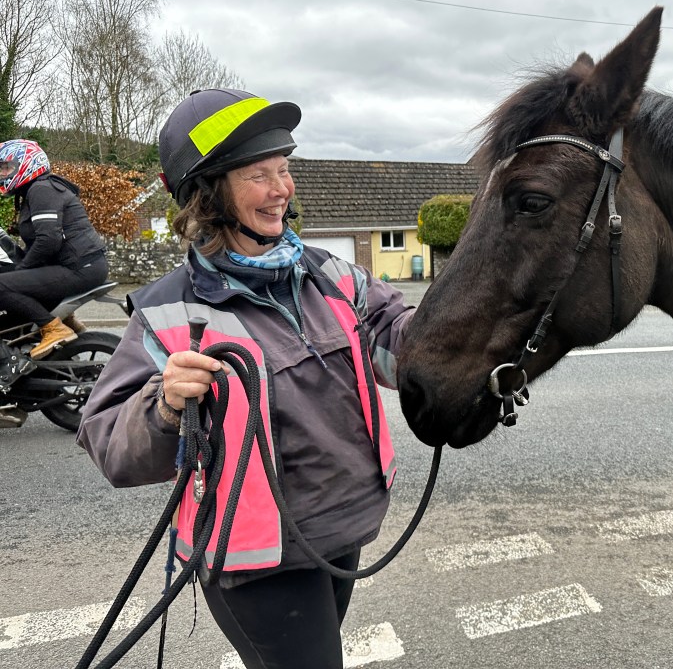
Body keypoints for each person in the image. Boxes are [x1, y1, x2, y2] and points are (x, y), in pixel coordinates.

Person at [77, 89, 415, 669]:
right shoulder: (169, 313)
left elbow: (401, 343)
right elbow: (108, 440)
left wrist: (475, 318)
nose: (282, 188)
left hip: (340, 531)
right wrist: (163, 409)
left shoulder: (331, 276)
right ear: (208, 196)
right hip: (256, 563)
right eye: (259, 174)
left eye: (284, 170)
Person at [0, 139, 107, 358]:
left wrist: (22, 270)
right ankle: (63, 320)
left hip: (79, 268)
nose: (3, 174)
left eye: (6, 167)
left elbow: (48, 240)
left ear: (27, 164)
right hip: (80, 266)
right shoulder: (34, 191)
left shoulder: (42, 188)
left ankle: (54, 328)